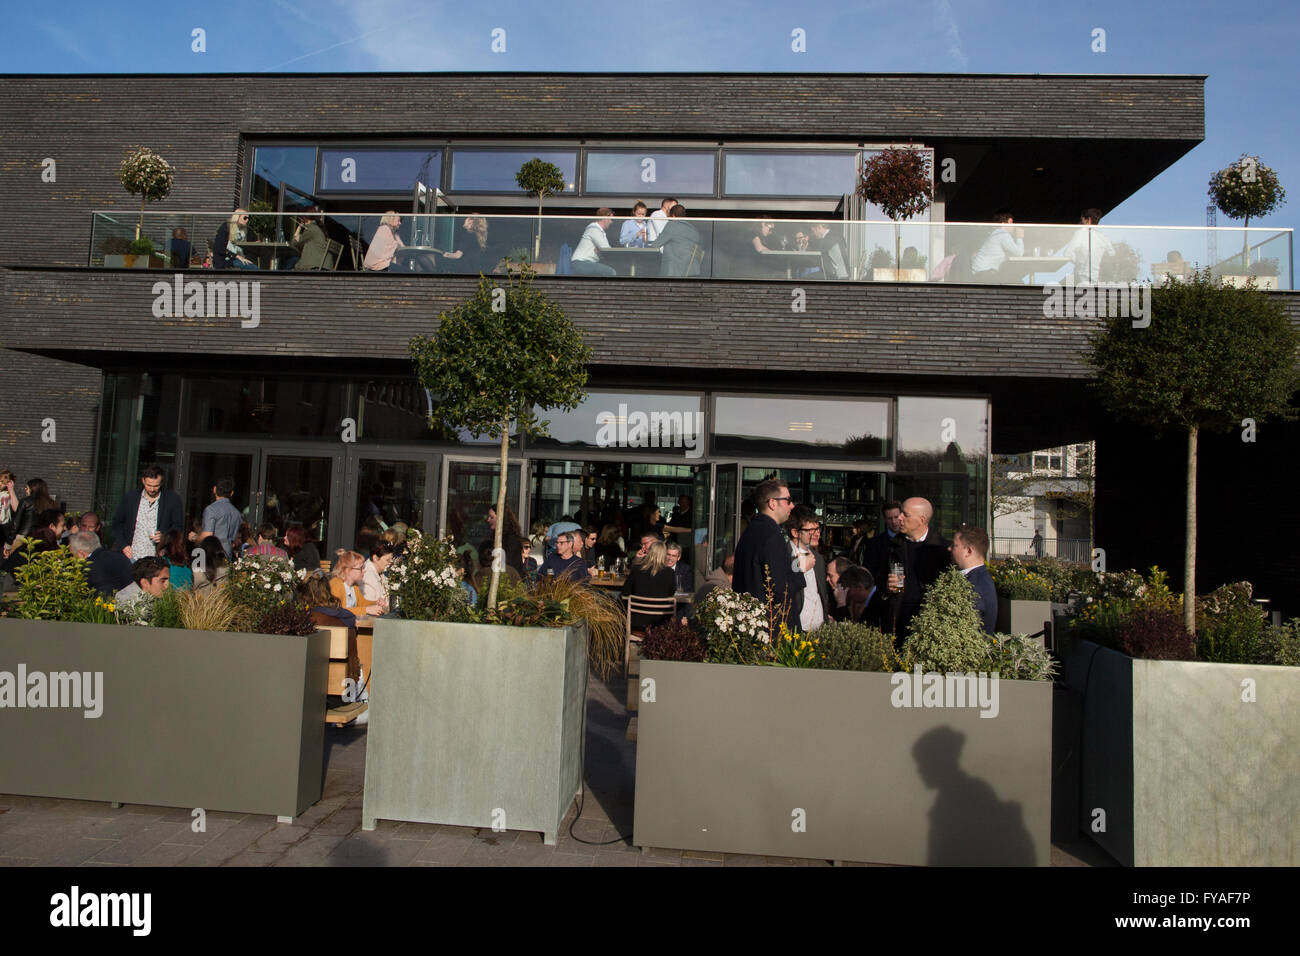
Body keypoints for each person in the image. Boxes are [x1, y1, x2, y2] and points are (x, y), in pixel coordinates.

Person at [731, 479, 799, 630]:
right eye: (788, 500)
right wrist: (800, 568)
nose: (792, 505)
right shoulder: (772, 535)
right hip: (771, 628)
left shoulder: (751, 530)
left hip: (751, 622)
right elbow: (779, 591)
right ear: (772, 503)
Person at [887, 497, 953, 638]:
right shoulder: (890, 546)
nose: (899, 518)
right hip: (897, 622)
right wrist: (887, 587)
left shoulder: (943, 550)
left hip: (929, 627)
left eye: (906, 514)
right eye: (900, 513)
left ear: (922, 520)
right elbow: (875, 579)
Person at [111, 464, 183, 561]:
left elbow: (178, 526)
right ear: (143, 481)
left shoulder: (172, 500)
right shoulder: (130, 498)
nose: (152, 489)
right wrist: (123, 545)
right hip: (132, 555)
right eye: (149, 485)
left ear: (161, 483)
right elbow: (117, 524)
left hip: (158, 557)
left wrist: (165, 537)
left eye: (156, 486)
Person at [862, 500, 907, 628]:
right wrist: (884, 586)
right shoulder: (874, 544)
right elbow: (868, 574)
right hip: (882, 601)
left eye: (896, 517)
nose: (894, 522)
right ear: (885, 520)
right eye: (889, 518)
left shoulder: (909, 541)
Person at [787, 506, 830, 633]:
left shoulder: (819, 559)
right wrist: (800, 568)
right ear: (795, 532)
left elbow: (822, 594)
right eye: (811, 530)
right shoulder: (784, 556)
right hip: (795, 631)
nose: (817, 533)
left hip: (819, 630)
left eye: (817, 528)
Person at [951, 526, 998, 635]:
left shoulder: (975, 585)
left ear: (968, 551)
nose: (949, 548)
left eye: (954, 545)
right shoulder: (979, 578)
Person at [621, 539, 677, 630]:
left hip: (637, 621)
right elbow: (671, 593)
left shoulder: (637, 569)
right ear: (664, 555)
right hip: (661, 622)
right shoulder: (670, 572)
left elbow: (625, 592)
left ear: (649, 553)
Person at [1056, 208, 1114, 285]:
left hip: (1081, 276)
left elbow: (1067, 253)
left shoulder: (1081, 233)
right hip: (1095, 278)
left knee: (1055, 289)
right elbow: (1112, 254)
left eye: (1082, 221)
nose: (1080, 223)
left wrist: (1078, 261)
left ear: (1088, 220)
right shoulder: (1103, 237)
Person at [68, 531, 133, 597]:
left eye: (73, 555)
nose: (72, 558)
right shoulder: (120, 557)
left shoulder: (86, 569)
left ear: (81, 554)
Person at [646, 203, 702, 277]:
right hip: (692, 270)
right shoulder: (693, 229)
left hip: (674, 271)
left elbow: (656, 244)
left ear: (673, 215)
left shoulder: (672, 225)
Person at [970, 211, 1024, 280]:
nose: (1013, 226)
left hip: (981, 272)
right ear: (1003, 224)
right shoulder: (1002, 234)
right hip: (985, 273)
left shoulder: (996, 233)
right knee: (1015, 280)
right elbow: (1019, 253)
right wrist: (1019, 237)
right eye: (1011, 222)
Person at [195, 478, 241, 558]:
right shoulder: (237, 513)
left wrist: (194, 537)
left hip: (212, 556)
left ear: (214, 489)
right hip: (228, 555)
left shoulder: (211, 509)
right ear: (231, 493)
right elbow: (234, 541)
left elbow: (207, 537)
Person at [330, 550, 384, 614]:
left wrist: (376, 603)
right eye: (360, 568)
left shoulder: (354, 586)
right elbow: (338, 611)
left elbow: (362, 603)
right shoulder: (336, 584)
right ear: (347, 570)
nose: (364, 571)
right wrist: (366, 610)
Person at [826, 556, 875, 623]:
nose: (827, 579)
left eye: (830, 576)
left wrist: (842, 604)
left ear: (859, 588)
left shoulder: (876, 604)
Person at [569, 209, 616, 277]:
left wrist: (600, 251)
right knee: (611, 272)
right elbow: (606, 248)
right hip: (580, 263)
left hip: (585, 263)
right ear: (604, 218)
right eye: (610, 219)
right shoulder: (594, 229)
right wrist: (601, 251)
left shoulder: (600, 232)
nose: (611, 222)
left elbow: (605, 250)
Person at [485, 505, 526, 575]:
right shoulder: (494, 536)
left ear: (501, 518)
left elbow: (508, 562)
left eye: (492, 517)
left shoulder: (512, 538)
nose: (488, 520)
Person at [289, 207, 329, 271]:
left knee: (289, 262)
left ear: (305, 218)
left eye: (302, 218)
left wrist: (299, 228)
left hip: (314, 265)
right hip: (322, 264)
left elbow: (294, 243)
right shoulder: (317, 228)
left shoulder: (311, 229)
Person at [361, 541, 395, 613]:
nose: (390, 563)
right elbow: (371, 608)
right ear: (375, 558)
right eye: (387, 560)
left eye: (391, 559)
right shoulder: (367, 576)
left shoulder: (380, 573)